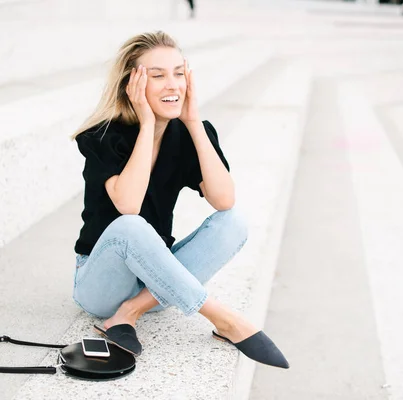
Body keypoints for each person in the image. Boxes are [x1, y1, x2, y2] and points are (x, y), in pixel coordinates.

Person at [71, 31, 289, 369]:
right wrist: (146, 125)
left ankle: (131, 311)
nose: (172, 84)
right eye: (157, 75)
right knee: (131, 225)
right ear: (133, 83)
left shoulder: (188, 132)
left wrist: (193, 121)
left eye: (178, 73)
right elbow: (128, 205)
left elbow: (224, 199)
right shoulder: (103, 136)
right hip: (101, 285)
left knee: (233, 222)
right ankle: (223, 318)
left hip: (155, 285)